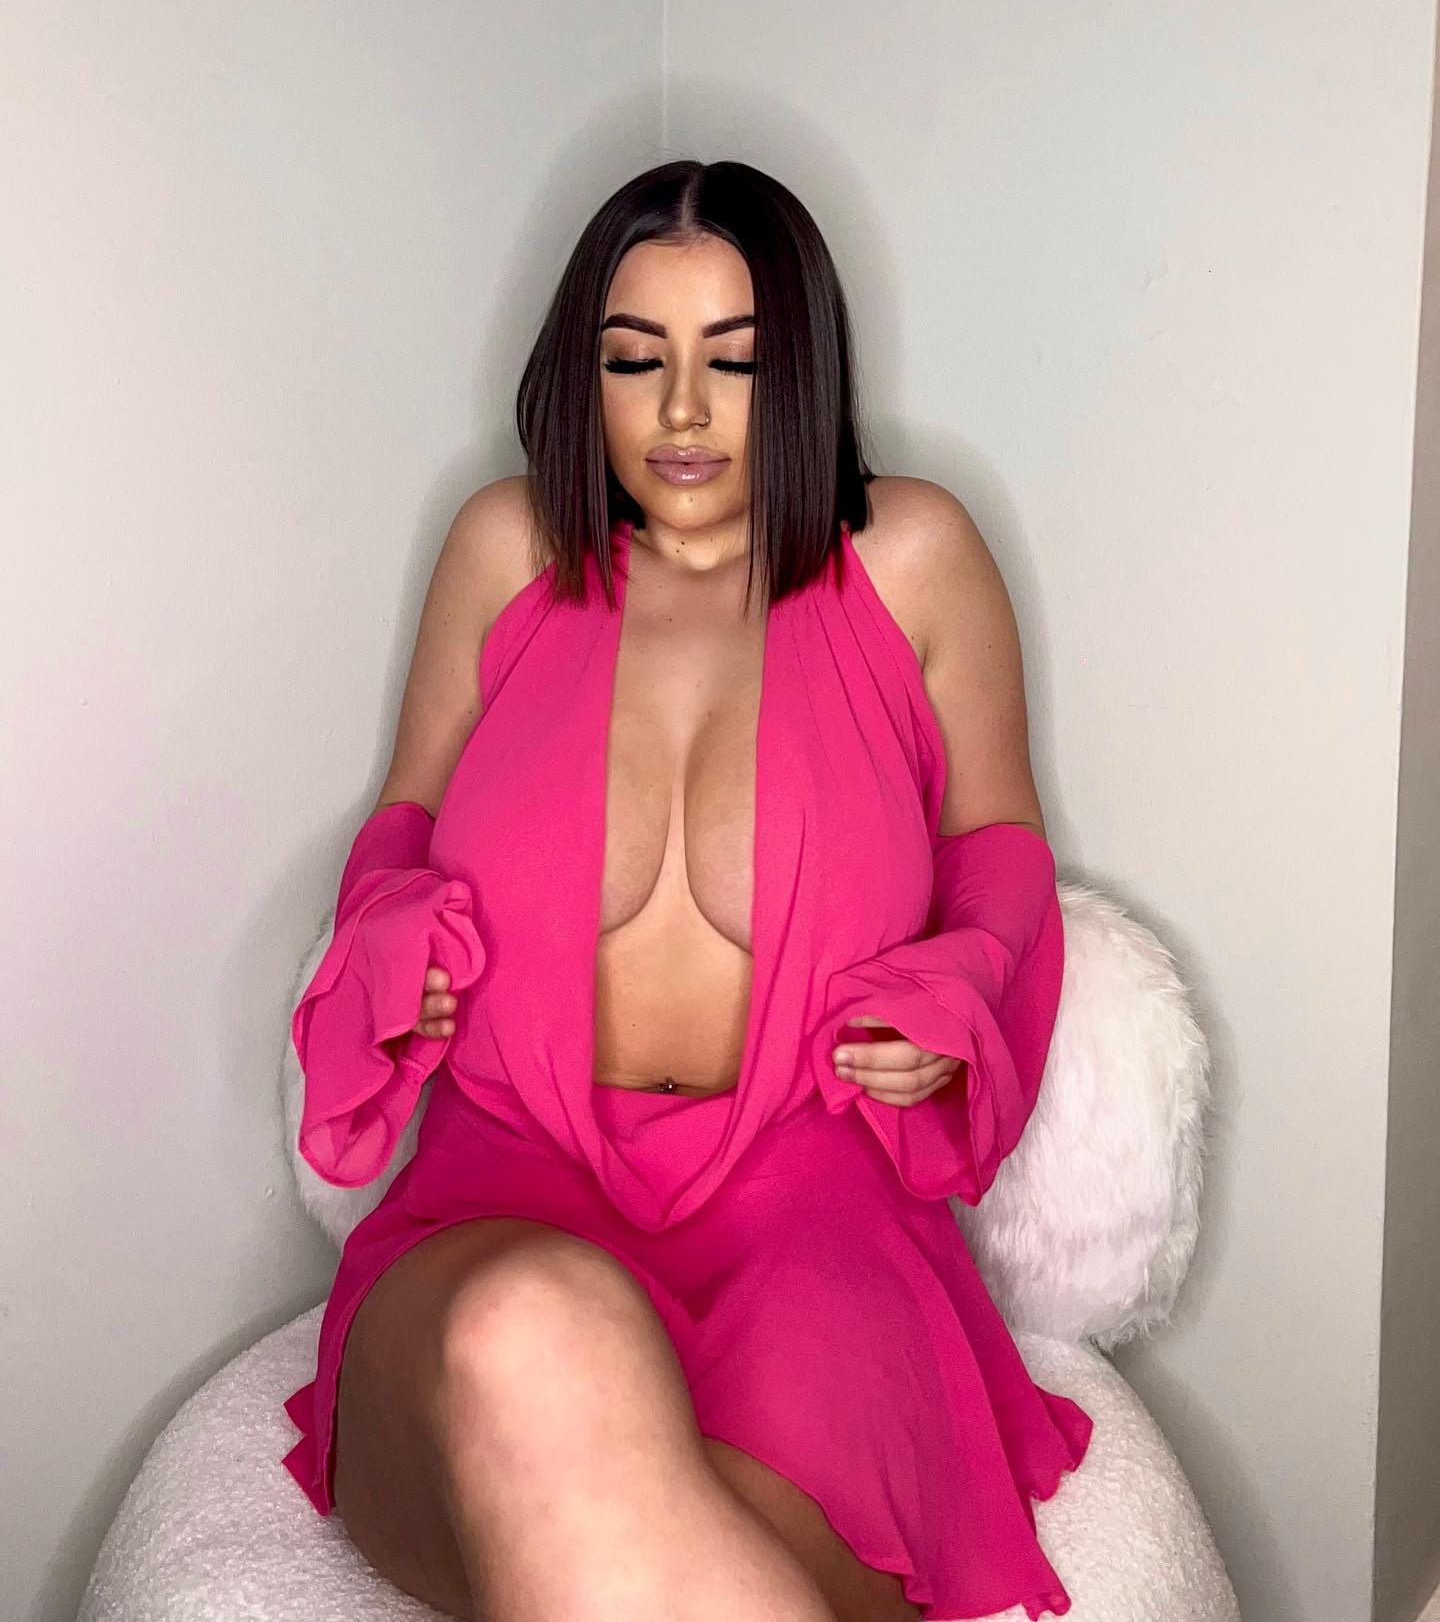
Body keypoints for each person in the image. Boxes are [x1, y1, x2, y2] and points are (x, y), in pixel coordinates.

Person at [281, 159, 1094, 1622]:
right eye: (633, 358)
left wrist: (959, 987)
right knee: (531, 1331)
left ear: (805, 373)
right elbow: (399, 823)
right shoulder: (505, 549)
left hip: (811, 1216)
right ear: (578, 373)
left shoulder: (911, 559)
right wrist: (396, 937)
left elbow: (1000, 850)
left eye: (736, 361)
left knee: (643, 1543)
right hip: (499, 1190)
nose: (680, 412)